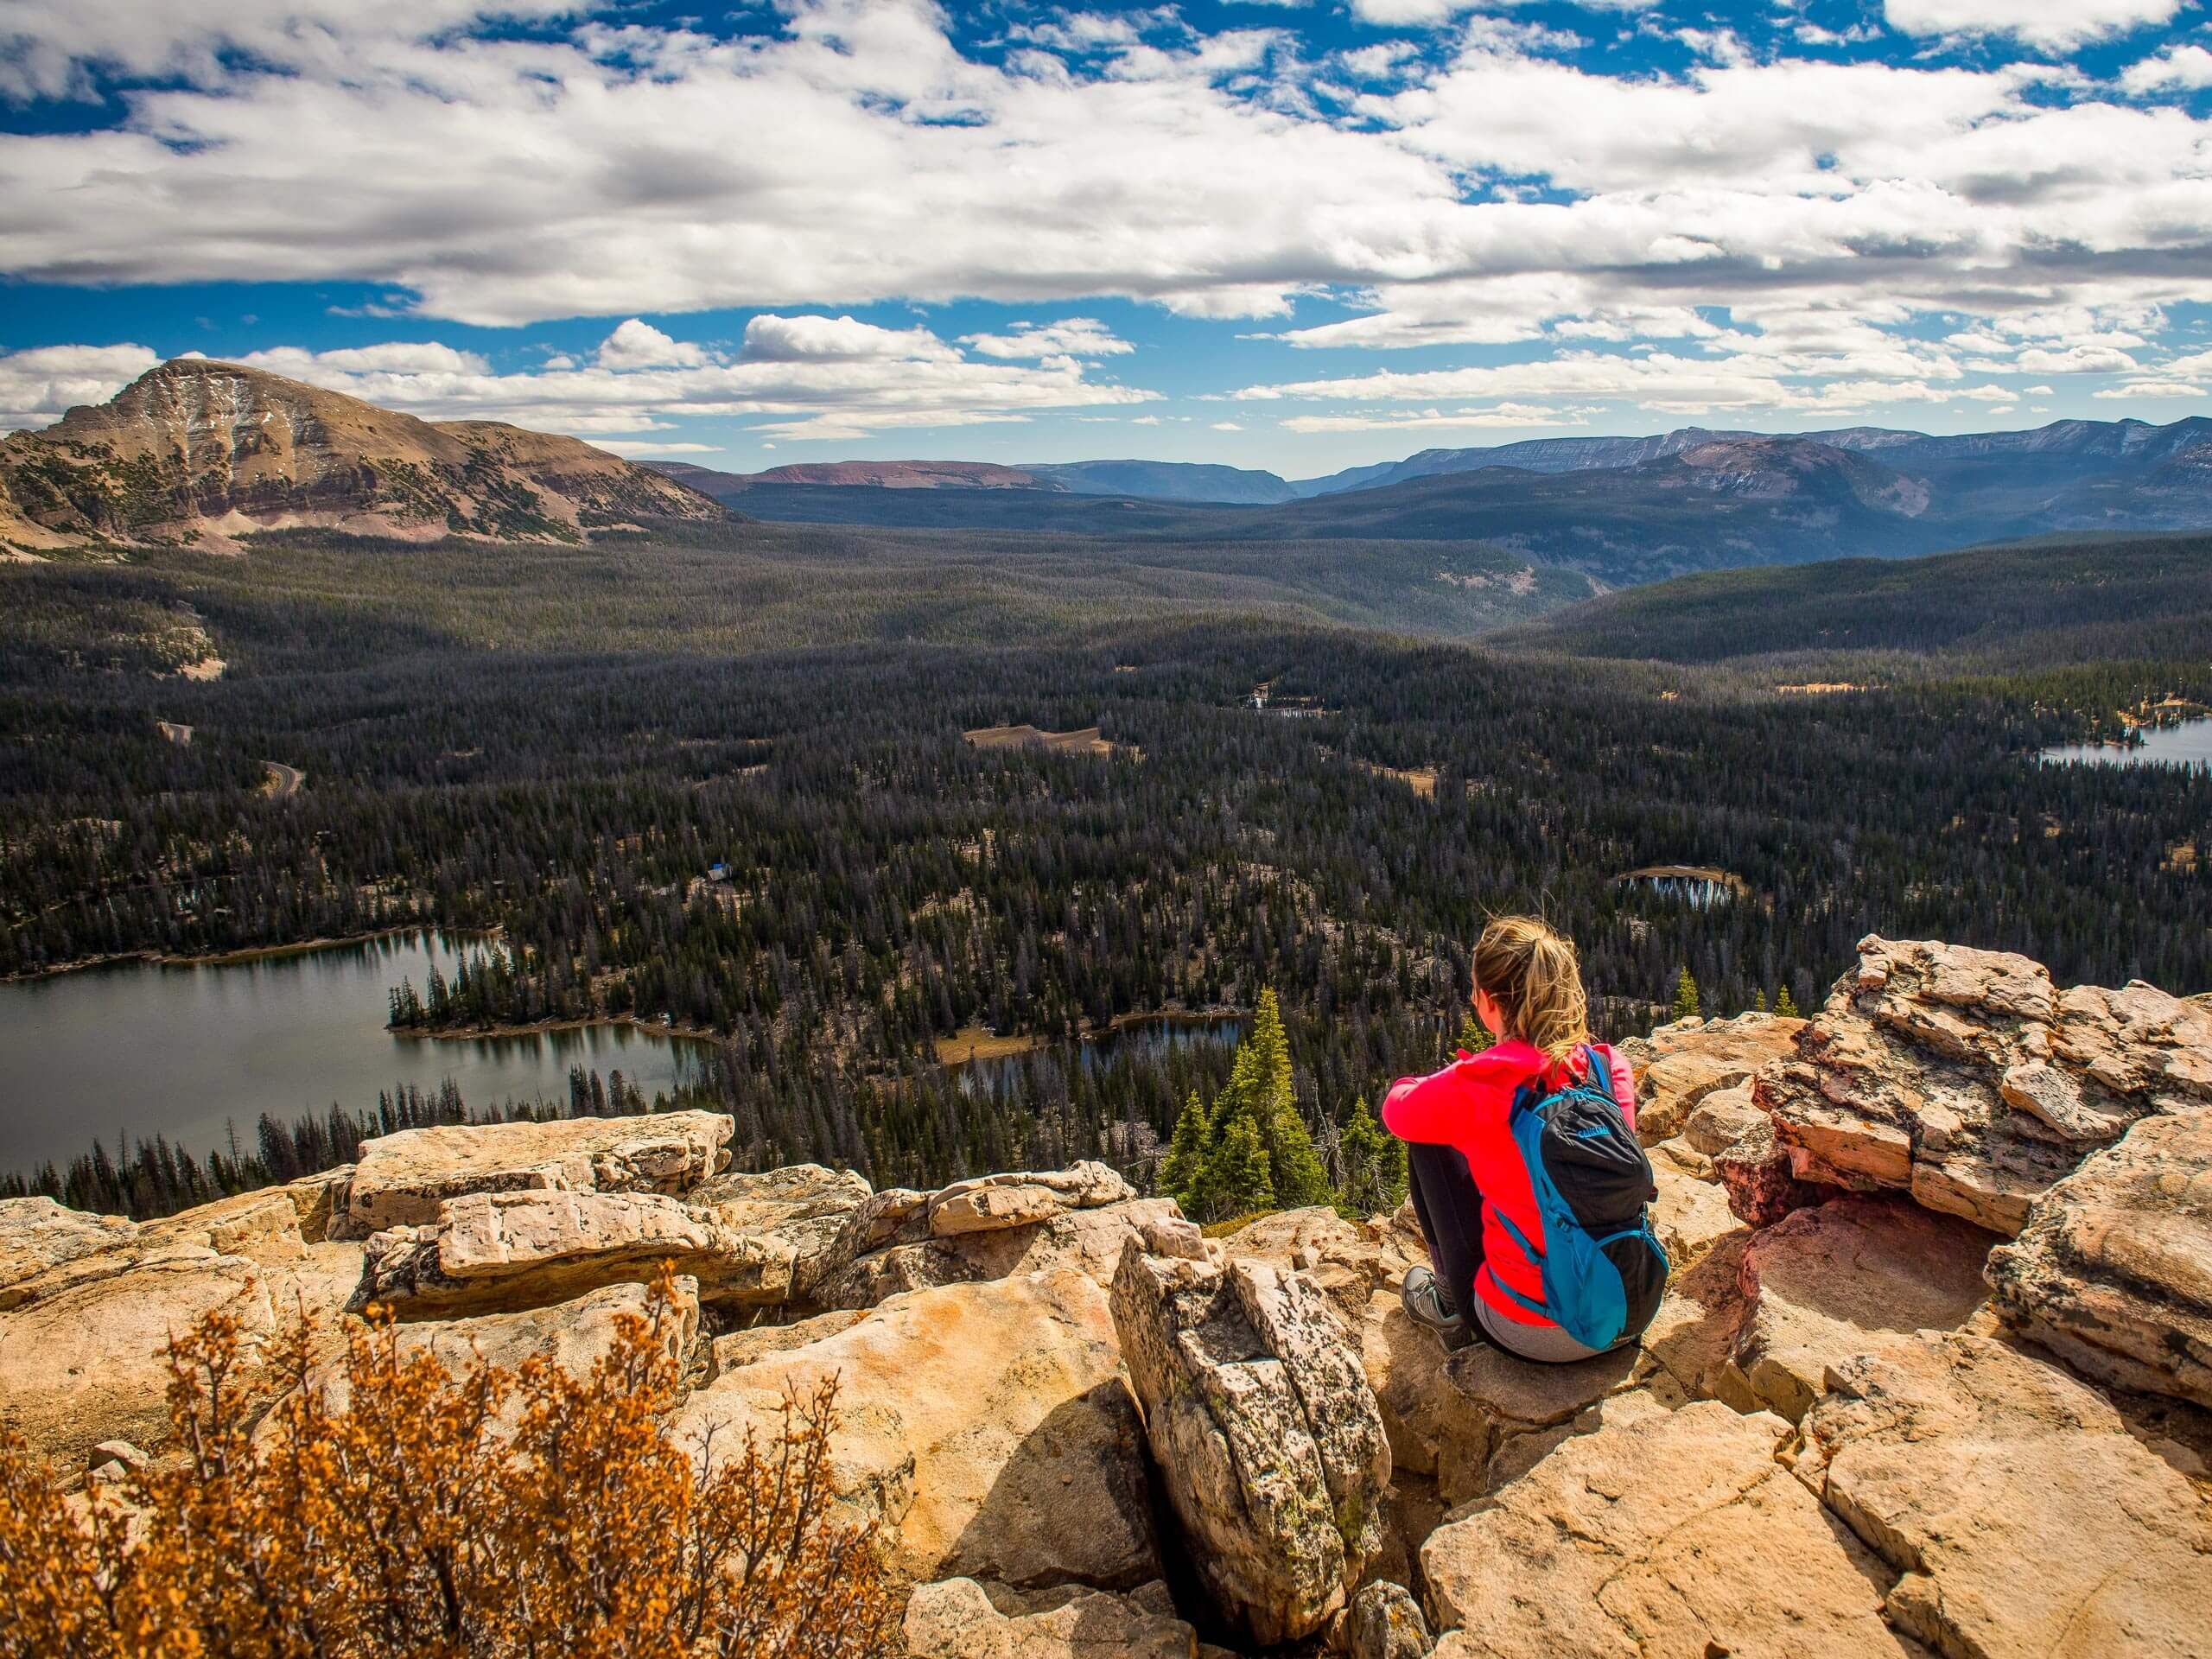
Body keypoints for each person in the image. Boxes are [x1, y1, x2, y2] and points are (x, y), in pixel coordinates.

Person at [1383, 914, 1660, 1363]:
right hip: (1628, 1313)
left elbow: (1398, 1110)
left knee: (1427, 1142)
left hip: (1531, 1331)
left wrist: (1445, 1079)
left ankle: (1450, 1304)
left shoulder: (1484, 1083)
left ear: (1489, 1002)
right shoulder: (1608, 1068)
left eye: (1475, 989)